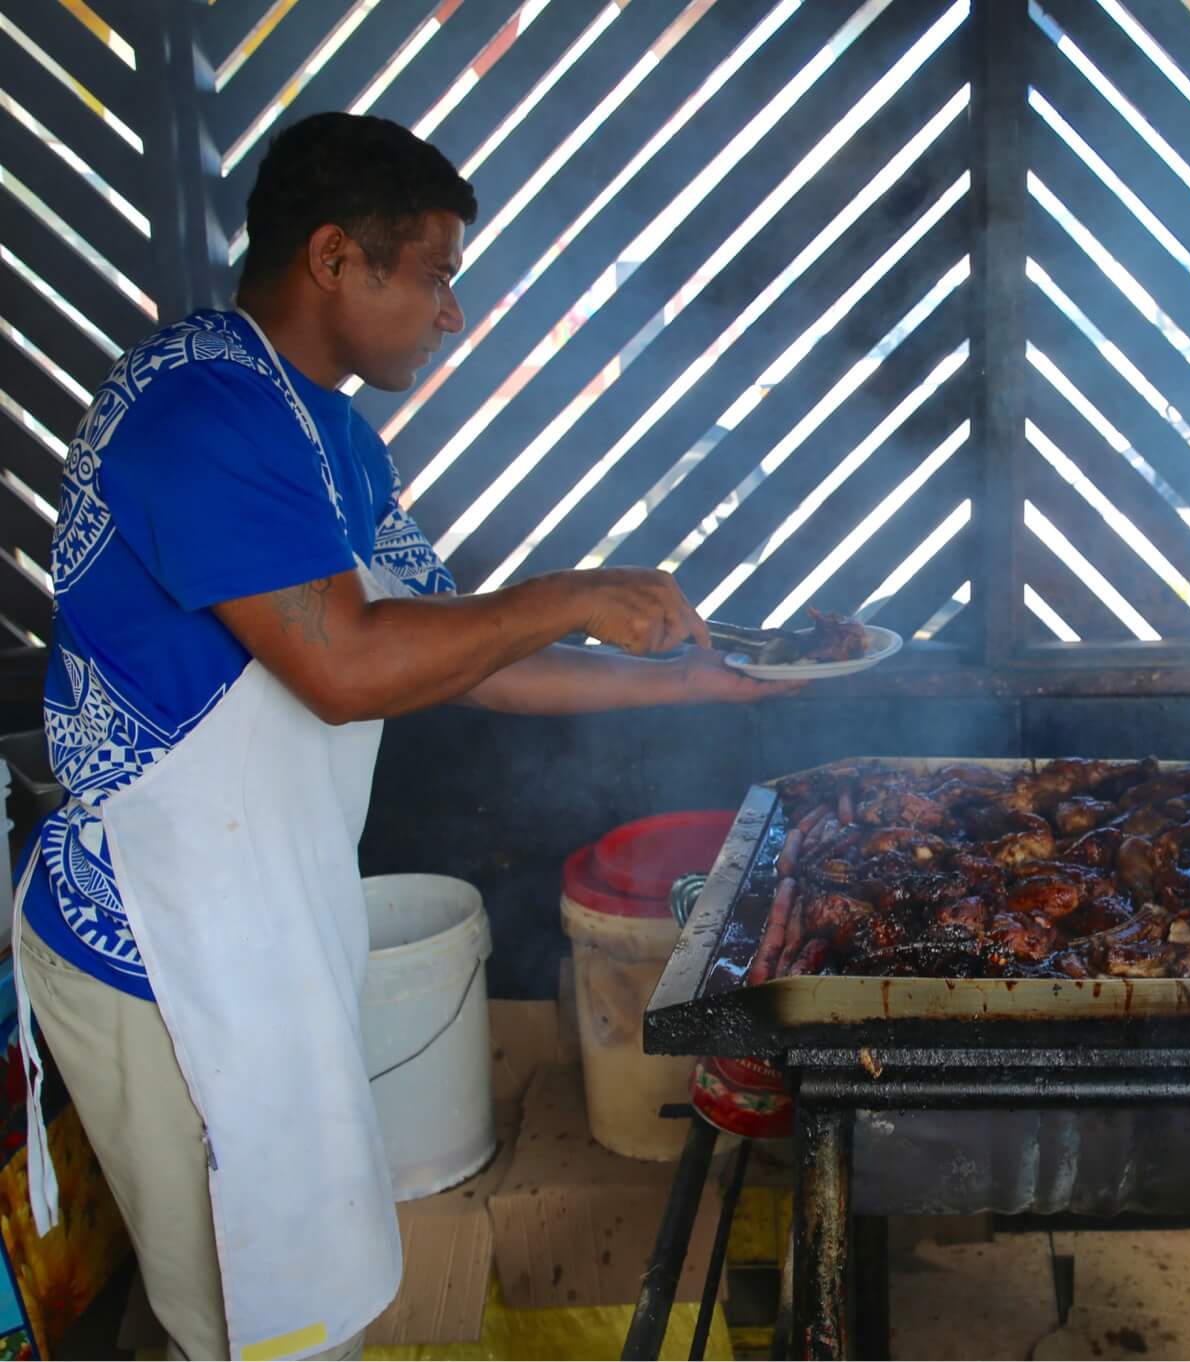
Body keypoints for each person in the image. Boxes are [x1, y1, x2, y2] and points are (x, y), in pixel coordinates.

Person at [11, 112, 793, 1361]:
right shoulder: (199, 413)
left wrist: (700, 683)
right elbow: (344, 670)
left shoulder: (323, 434)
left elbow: (461, 664)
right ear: (336, 259)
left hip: (259, 917)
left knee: (294, 1290)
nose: (451, 313)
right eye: (432, 273)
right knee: (237, 1314)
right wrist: (572, 590)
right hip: (159, 944)